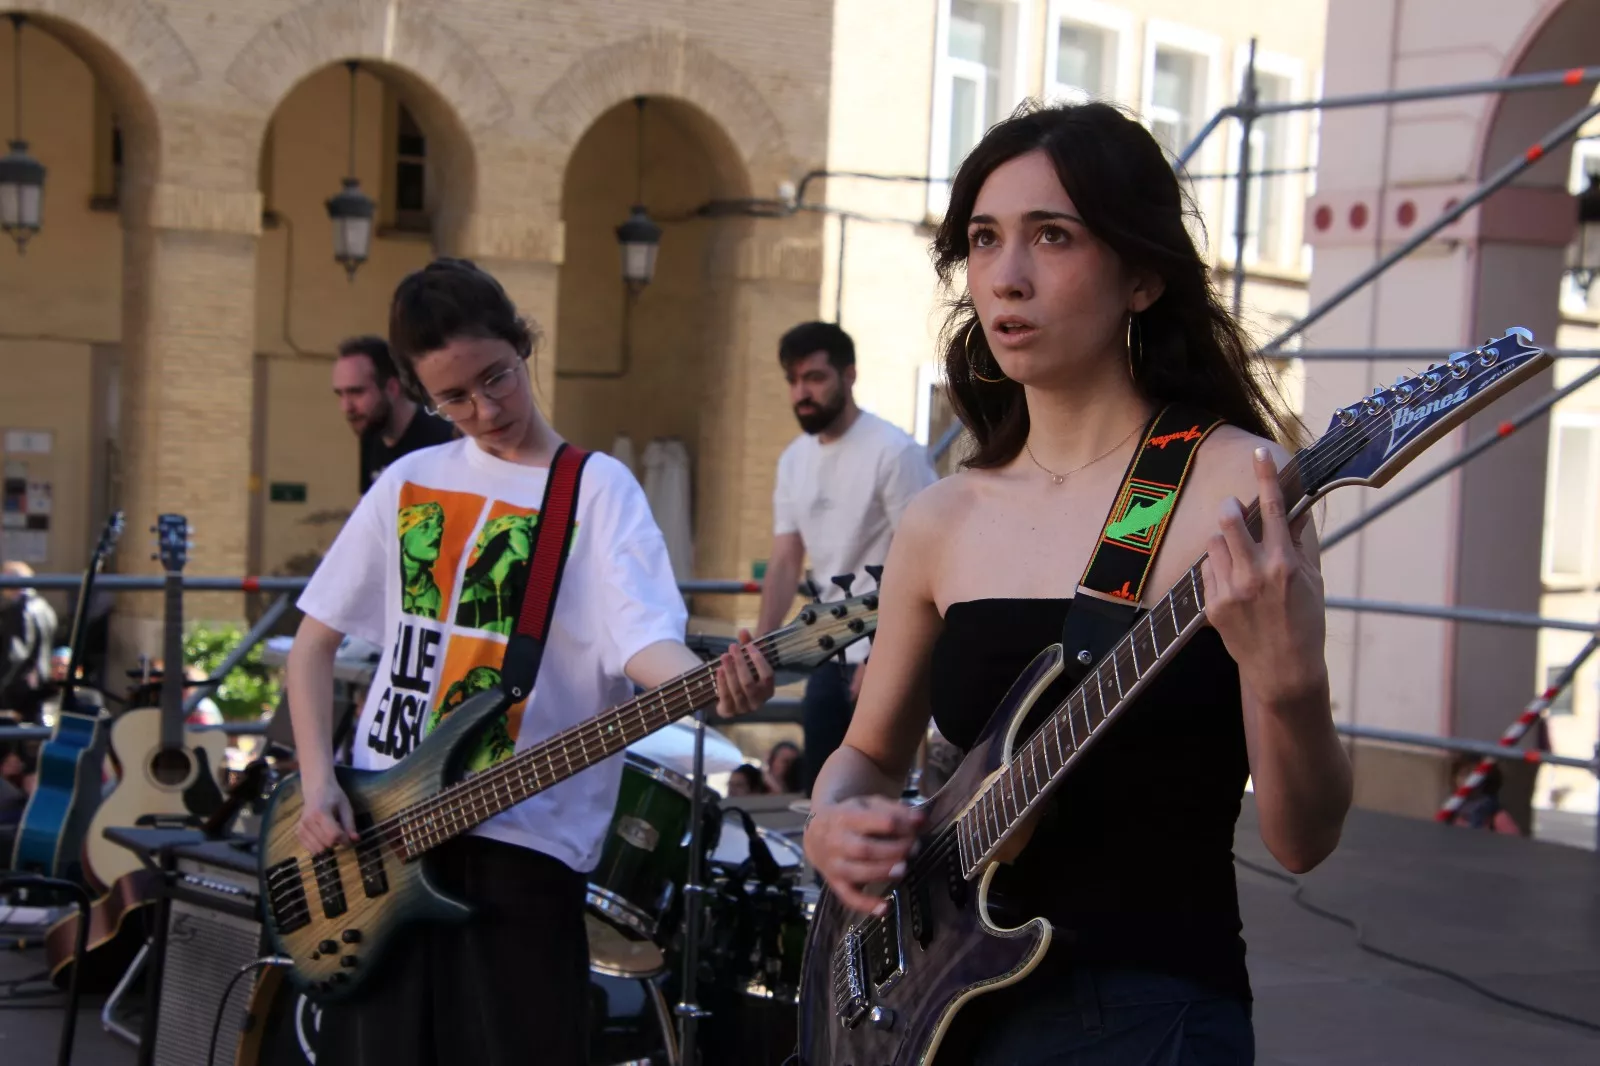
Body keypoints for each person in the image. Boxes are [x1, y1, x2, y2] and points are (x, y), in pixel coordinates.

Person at [801, 102, 1352, 1065]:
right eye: (984, 240)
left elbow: (1301, 840)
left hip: (1150, 1013)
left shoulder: (1231, 487)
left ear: (1142, 276)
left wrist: (1293, 683)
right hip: (939, 1011)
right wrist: (832, 819)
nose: (1006, 278)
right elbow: (866, 756)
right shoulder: (944, 519)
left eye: (1051, 237)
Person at [288, 258, 776, 1066]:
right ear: (420, 392)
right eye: (454, 398)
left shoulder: (598, 490)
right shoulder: (410, 480)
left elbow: (642, 642)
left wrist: (709, 686)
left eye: (496, 378)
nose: (484, 411)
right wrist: (318, 783)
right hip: (372, 835)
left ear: (523, 346)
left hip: (522, 844)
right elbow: (312, 646)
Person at [755, 321, 937, 794]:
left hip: (890, 652)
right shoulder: (794, 459)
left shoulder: (894, 453)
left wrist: (883, 655)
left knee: (880, 798)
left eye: (815, 378)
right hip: (825, 650)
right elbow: (784, 561)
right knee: (822, 797)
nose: (802, 393)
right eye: (794, 381)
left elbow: (925, 560)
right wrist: (759, 648)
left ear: (849, 375)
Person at [333, 334, 458, 493]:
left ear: (392, 388)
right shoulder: (371, 436)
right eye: (340, 394)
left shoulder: (443, 442)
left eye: (356, 392)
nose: (346, 407)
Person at [0, 562, 57, 722]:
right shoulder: (45, 608)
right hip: (39, 682)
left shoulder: (18, 610)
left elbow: (15, 655)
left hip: (17, 687)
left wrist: (2, 685)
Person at [1447, 754, 1521, 834]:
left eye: (1475, 776)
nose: (1469, 781)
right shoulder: (1450, 812)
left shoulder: (1498, 818)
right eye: (1463, 774)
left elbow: (1516, 845)